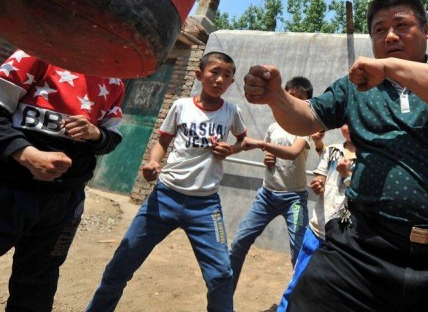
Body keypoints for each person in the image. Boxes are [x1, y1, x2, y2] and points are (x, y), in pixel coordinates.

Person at [244, 0, 428, 311]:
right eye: (380, 30)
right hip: (362, 249)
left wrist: (390, 68)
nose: (391, 35)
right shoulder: (355, 87)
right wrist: (277, 97)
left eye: (402, 25)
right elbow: (307, 118)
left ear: (426, 31)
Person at [0, 50, 125, 311]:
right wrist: (26, 154)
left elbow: (110, 139)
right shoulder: (35, 56)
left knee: (38, 283)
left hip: (63, 203)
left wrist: (95, 134)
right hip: (3, 193)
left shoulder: (113, 81)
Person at [87, 51, 253, 312]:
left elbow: (243, 140)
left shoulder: (232, 112)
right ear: (199, 75)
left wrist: (231, 149)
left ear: (232, 82)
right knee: (120, 265)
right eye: (215, 72)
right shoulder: (181, 106)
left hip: (206, 206)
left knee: (221, 275)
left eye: (227, 75)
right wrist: (153, 163)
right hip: (164, 198)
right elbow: (163, 141)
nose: (220, 79)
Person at [228, 76, 314, 292]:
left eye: (299, 99)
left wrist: (261, 144)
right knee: (239, 243)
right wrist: (268, 158)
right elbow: (271, 156)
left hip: (294, 198)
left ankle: (296, 301)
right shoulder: (273, 127)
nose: (293, 103)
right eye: (290, 97)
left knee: (298, 253)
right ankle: (224, 296)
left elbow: (293, 153)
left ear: (307, 103)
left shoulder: (306, 129)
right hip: (266, 196)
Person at [276, 123, 356, 312]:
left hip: (346, 238)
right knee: (298, 281)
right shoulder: (333, 151)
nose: (349, 126)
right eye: (346, 122)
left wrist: (348, 176)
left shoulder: (371, 158)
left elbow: (367, 192)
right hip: (318, 229)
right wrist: (319, 183)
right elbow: (320, 176)